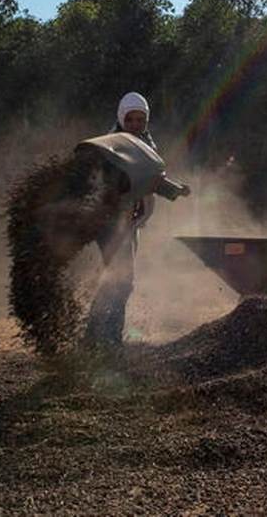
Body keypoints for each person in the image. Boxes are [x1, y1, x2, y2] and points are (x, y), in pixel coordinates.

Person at [84, 91, 188, 347]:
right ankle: (107, 339)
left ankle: (95, 337)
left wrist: (175, 189)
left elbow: (152, 179)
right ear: (121, 119)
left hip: (131, 222)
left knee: (118, 278)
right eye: (130, 120)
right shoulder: (109, 146)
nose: (135, 125)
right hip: (110, 222)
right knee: (122, 279)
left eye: (140, 120)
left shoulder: (147, 147)